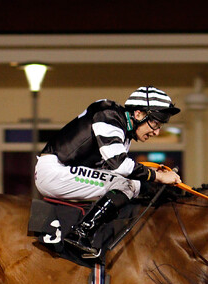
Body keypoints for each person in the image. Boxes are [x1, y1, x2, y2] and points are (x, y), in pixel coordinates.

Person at [35, 86, 182, 257]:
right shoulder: (108, 115)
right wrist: (159, 176)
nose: (157, 132)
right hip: (55, 171)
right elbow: (120, 166)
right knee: (127, 185)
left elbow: (114, 168)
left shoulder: (123, 129)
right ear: (139, 114)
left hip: (65, 170)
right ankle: (81, 232)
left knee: (134, 185)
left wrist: (151, 176)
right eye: (155, 123)